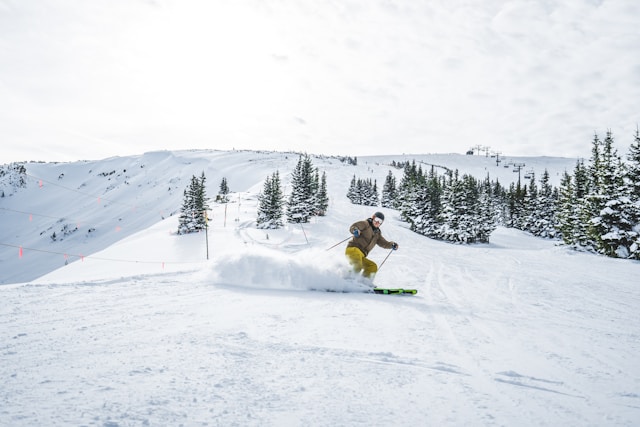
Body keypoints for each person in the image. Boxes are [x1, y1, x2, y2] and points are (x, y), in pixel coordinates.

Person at [345, 211, 399, 281]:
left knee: (372, 267)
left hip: (362, 255)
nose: (377, 222)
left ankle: (363, 283)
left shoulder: (377, 234)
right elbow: (355, 226)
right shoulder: (366, 224)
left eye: (380, 221)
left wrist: (392, 245)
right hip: (353, 249)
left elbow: (384, 243)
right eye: (376, 220)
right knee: (357, 266)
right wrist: (355, 230)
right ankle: (346, 281)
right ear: (373, 217)